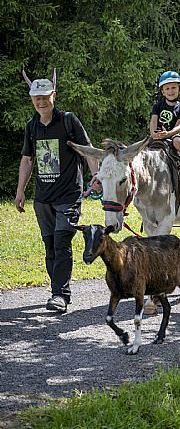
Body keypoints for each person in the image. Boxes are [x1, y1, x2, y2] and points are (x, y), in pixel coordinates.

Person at [15, 69, 99, 313]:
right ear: (32, 100)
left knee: (62, 243)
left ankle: (60, 295)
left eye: (45, 97)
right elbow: (27, 159)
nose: (41, 102)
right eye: (36, 98)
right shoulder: (32, 126)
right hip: (42, 198)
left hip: (68, 195)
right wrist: (20, 190)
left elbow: (87, 149)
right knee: (50, 246)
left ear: (54, 96)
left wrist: (96, 177)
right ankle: (57, 289)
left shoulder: (68, 121)